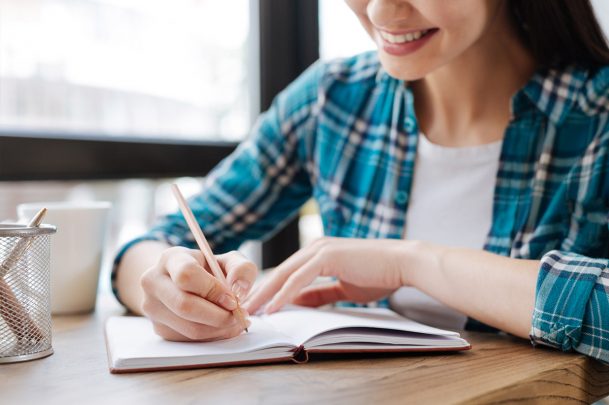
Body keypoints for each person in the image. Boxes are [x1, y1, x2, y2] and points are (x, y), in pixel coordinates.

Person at [112, 0, 609, 362]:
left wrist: (412, 262)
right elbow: (158, 243)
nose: (380, 11)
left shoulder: (597, 115)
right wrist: (166, 288)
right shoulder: (332, 100)